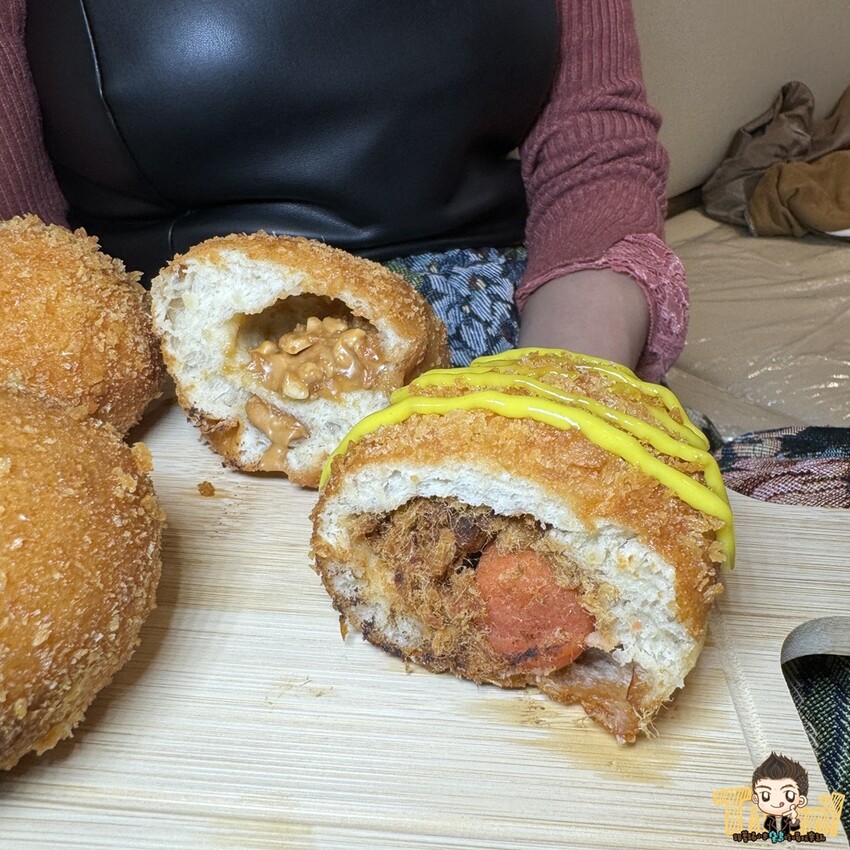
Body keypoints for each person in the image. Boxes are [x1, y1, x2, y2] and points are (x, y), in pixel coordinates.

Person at [0, 0, 686, 381]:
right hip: (177, 353)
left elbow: (595, 148)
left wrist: (563, 389)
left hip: (514, 327)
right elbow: (28, 261)